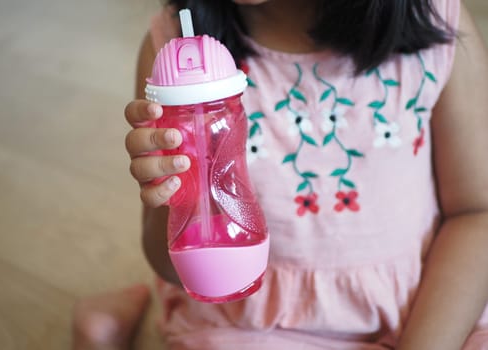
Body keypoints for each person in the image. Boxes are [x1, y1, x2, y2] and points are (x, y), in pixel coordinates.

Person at [73, 0, 488, 349]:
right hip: (256, 323)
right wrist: (176, 193)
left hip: (427, 302)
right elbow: (169, 264)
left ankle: (109, 326)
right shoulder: (177, 53)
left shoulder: (437, 22)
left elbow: (476, 212)